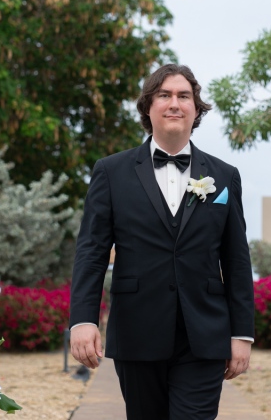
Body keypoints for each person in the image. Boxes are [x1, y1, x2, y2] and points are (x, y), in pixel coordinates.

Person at [69, 64, 255, 420]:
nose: (175, 103)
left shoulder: (225, 176)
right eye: (164, 95)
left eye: (184, 96)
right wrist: (83, 319)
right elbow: (91, 251)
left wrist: (242, 334)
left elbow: (236, 260)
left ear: (196, 109)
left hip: (204, 335)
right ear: (148, 107)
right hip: (137, 332)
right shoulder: (111, 172)